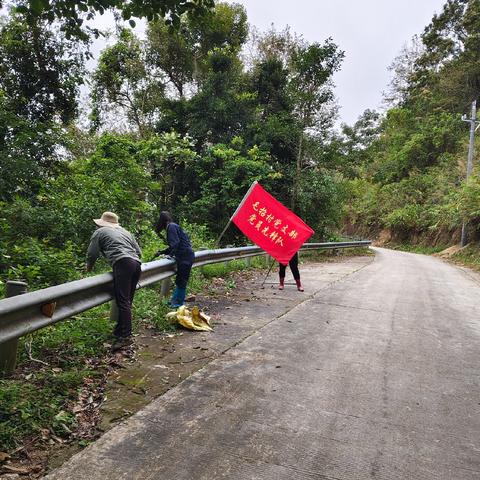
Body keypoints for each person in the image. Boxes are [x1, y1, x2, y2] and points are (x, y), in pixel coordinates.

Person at [86, 212, 142, 351]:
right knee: (127, 300)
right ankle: (119, 331)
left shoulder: (100, 232)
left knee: (122, 301)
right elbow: (138, 251)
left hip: (123, 263)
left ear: (102, 223)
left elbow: (92, 253)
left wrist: (89, 267)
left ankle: (125, 337)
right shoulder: (126, 232)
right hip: (136, 264)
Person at [154, 211, 195, 308]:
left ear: (162, 221)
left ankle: (178, 303)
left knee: (182, 280)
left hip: (185, 256)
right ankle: (174, 300)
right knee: (179, 279)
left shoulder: (171, 227)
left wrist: (170, 255)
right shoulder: (173, 226)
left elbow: (175, 244)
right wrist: (162, 252)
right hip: (185, 255)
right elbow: (175, 245)